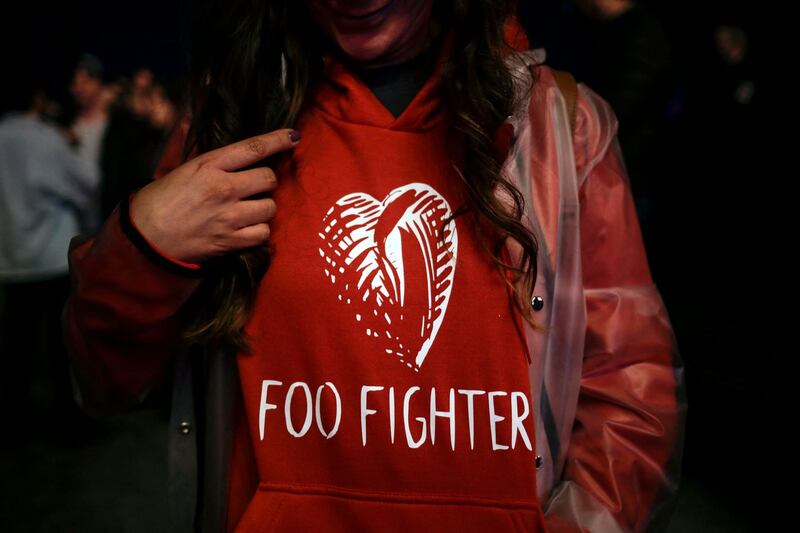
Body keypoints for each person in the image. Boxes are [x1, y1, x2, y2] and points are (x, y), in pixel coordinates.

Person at [63, 1, 686, 531]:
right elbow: (106, 382)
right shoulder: (239, 114)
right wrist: (142, 248)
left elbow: (632, 385)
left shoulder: (559, 127)